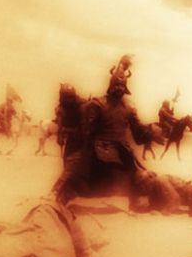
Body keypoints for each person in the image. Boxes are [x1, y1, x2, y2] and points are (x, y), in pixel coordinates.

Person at [54, 72, 153, 206]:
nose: (119, 88)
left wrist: (150, 133)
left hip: (122, 150)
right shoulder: (98, 104)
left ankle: (135, 202)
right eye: (116, 84)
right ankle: (57, 199)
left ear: (126, 88)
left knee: (138, 175)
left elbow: (138, 134)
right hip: (99, 149)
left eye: (122, 85)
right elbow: (88, 130)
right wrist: (79, 140)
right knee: (75, 174)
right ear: (110, 86)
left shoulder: (129, 107)